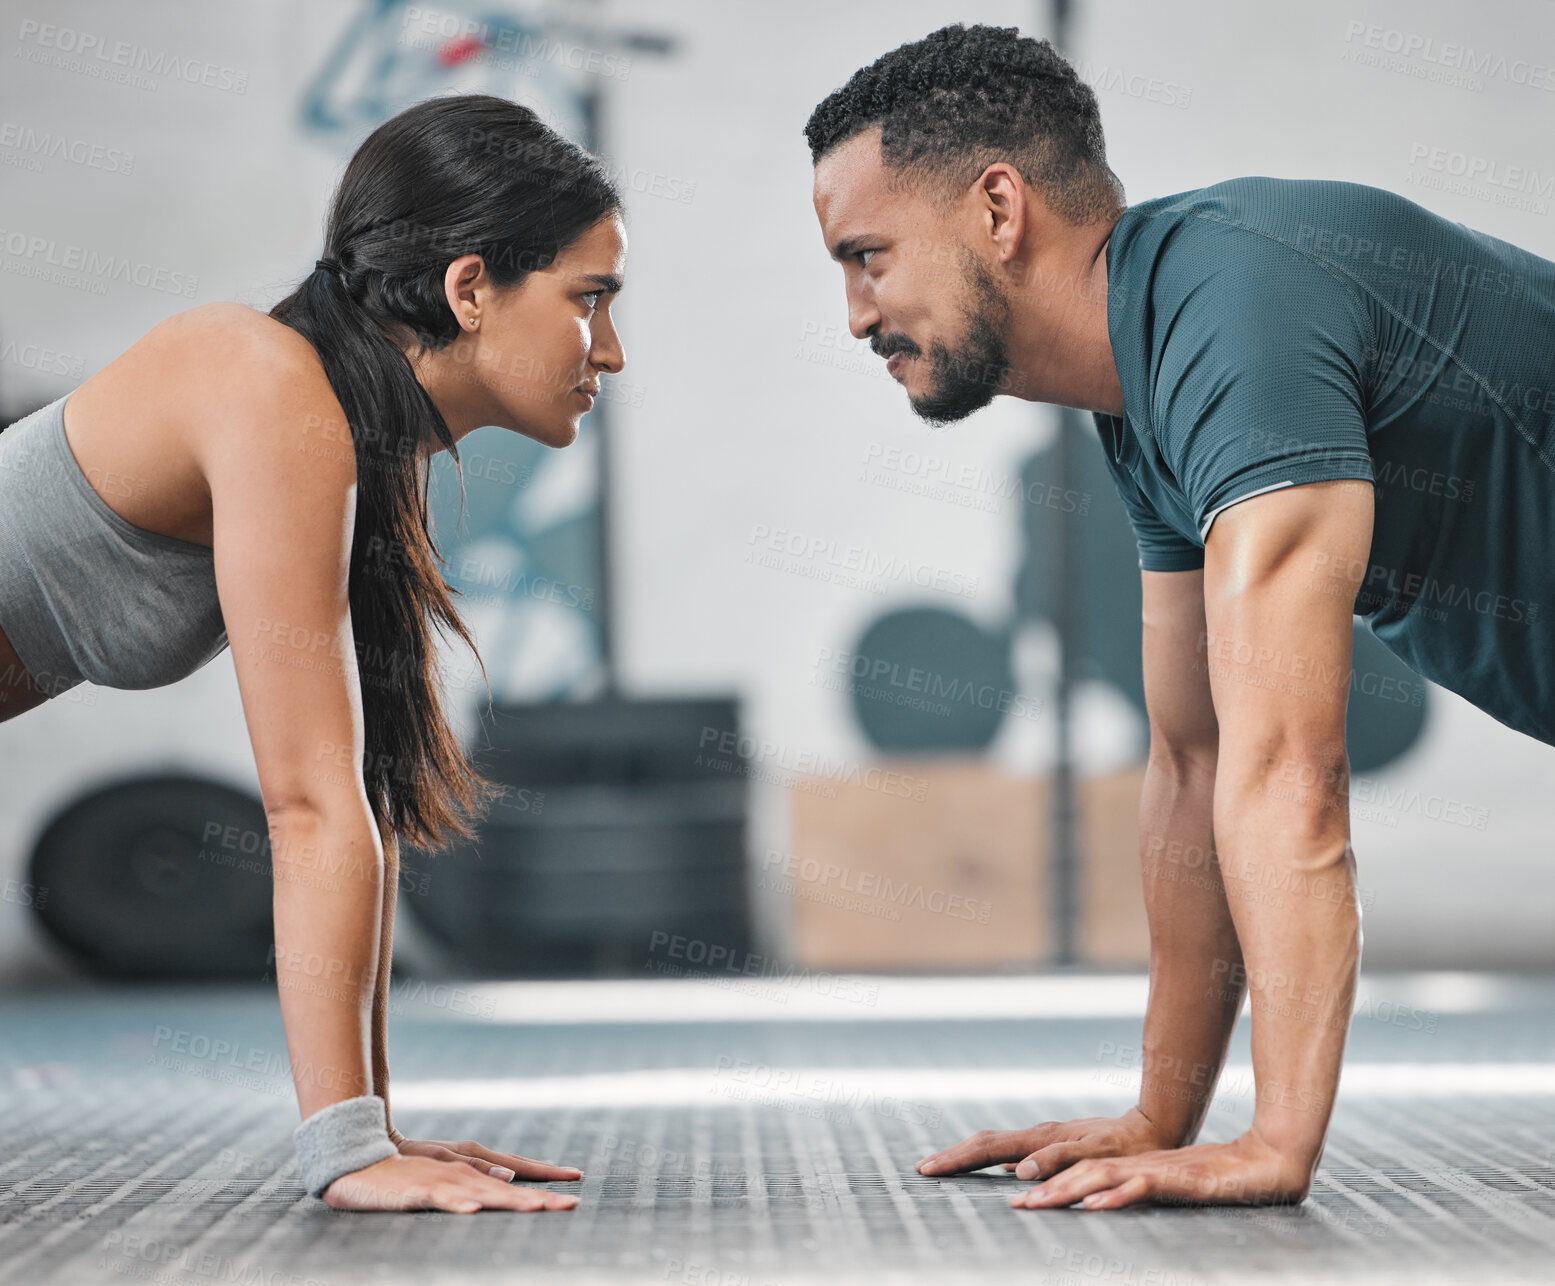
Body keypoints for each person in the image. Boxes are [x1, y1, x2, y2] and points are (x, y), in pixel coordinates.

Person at [803, 24, 1554, 1210]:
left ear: (998, 209)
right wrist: (1161, 1110)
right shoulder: (1150, 394)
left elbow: (1289, 769)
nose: (855, 314)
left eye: (868, 256)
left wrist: (1276, 1142)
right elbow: (1195, 760)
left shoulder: (1235, 315)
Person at [0, 92, 626, 1214]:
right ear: (470, 288)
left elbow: (361, 804)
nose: (612, 351)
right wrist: (344, 1148)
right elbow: (304, 806)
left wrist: (373, 1131)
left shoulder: (342, 441)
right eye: (591, 300)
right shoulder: (268, 385)